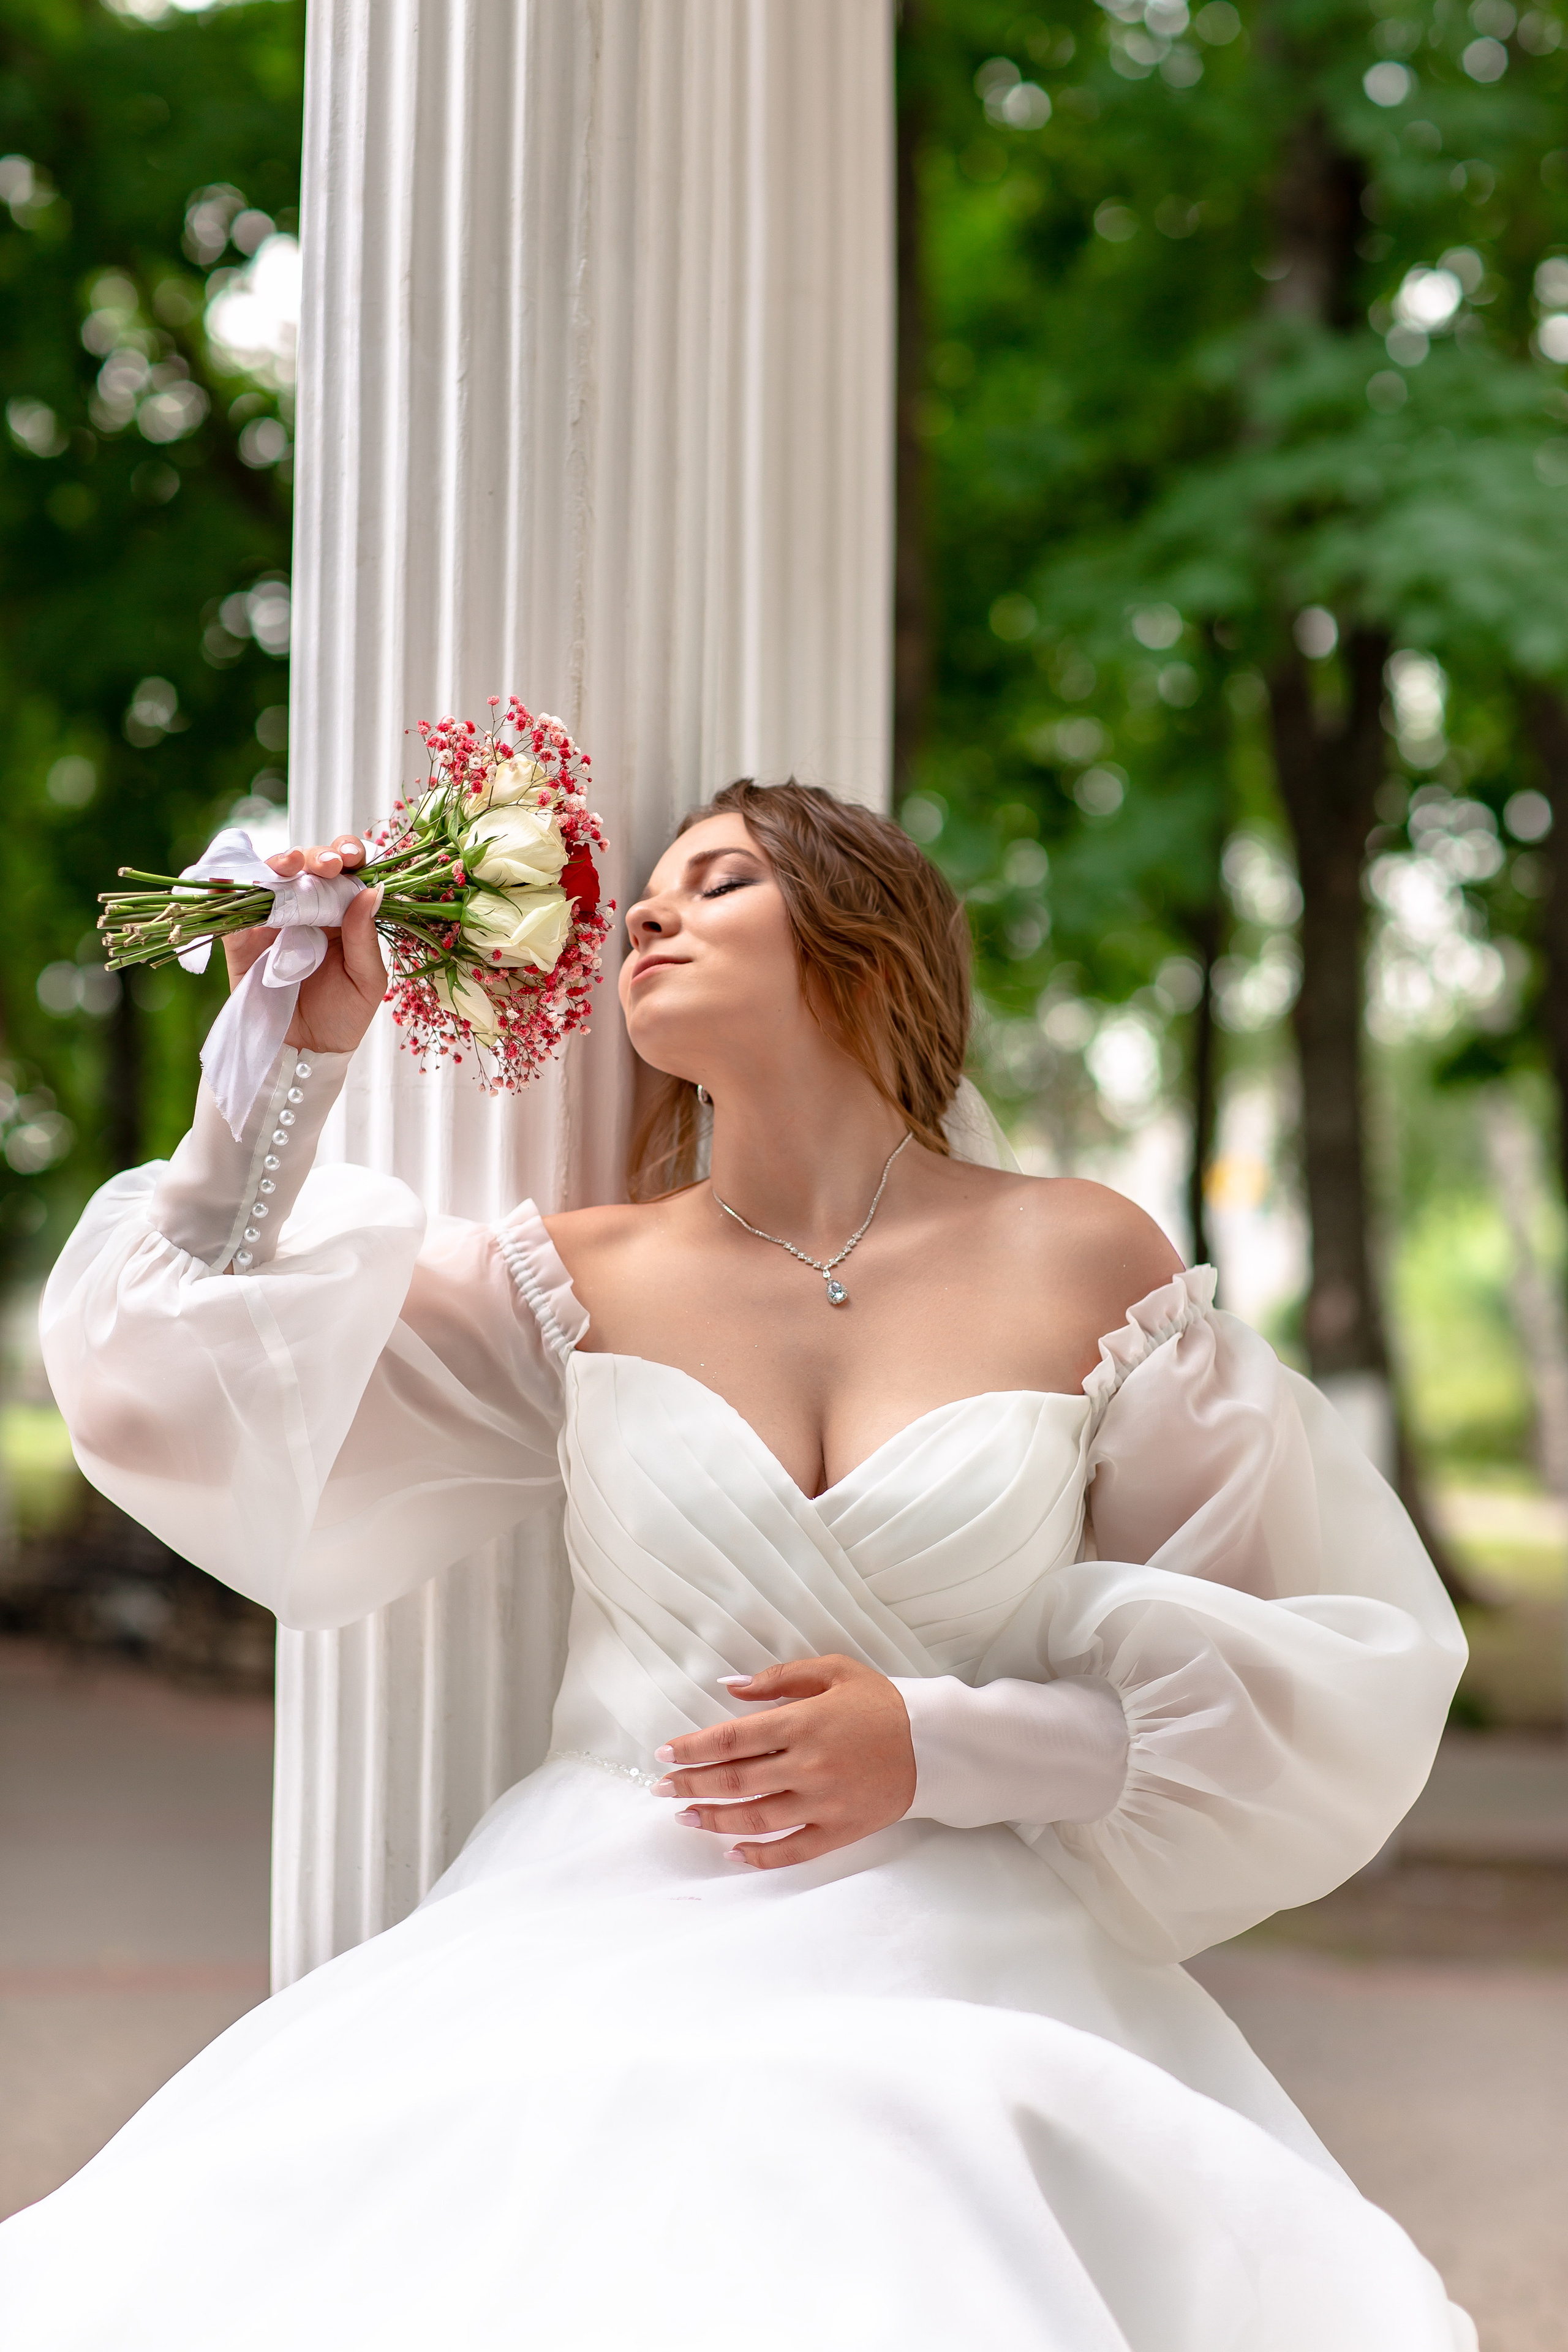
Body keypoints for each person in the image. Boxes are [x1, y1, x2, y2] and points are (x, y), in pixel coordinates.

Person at [2, 782, 1473, 2350]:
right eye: (651, 892)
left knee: (930, 2170)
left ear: (867, 947)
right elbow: (166, 1386)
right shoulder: (569, 1280)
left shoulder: (1084, 1259)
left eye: (719, 883)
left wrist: (938, 1745)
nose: (649, 910)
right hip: (599, 1918)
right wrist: (285, 1058)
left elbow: (1293, 1673)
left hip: (964, 1950)